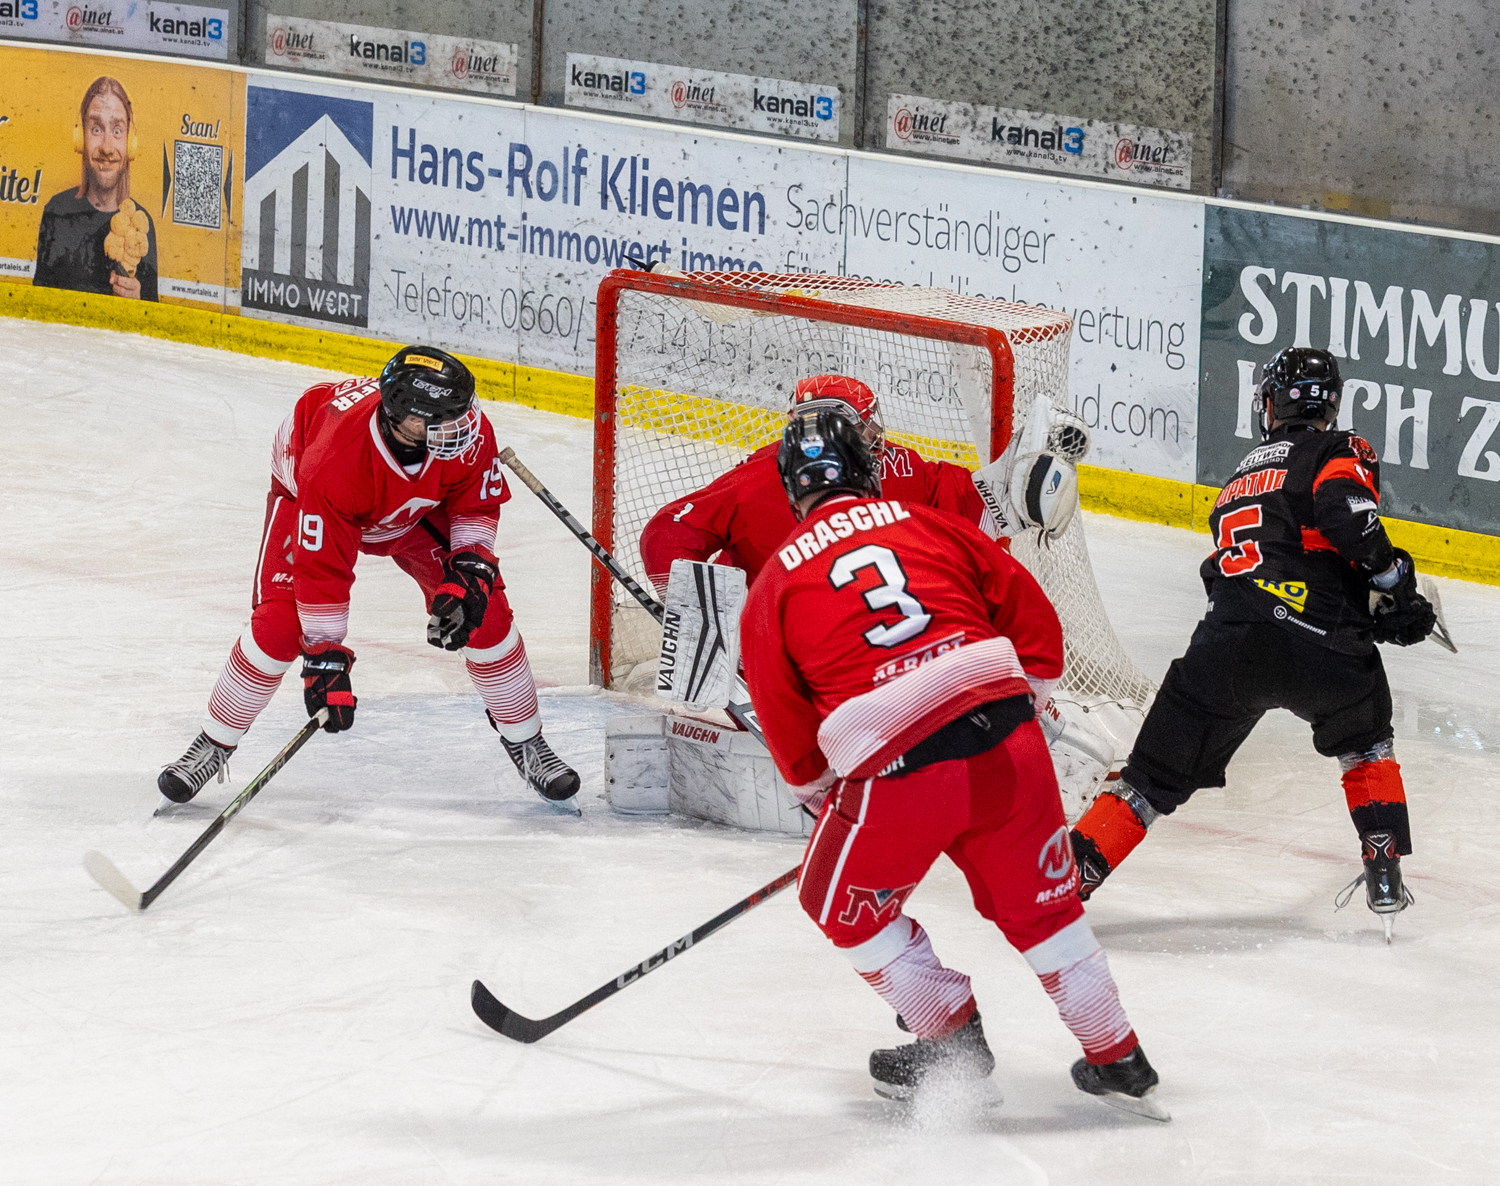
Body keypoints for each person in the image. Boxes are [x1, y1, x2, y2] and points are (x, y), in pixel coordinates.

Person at [739, 404, 1163, 1113]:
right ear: (867, 470)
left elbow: (790, 732)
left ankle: (953, 1041)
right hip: (1009, 749)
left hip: (900, 773)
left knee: (836, 904)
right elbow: (1031, 616)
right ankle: (1119, 1056)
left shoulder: (775, 580)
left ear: (792, 490)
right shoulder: (930, 523)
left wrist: (824, 796)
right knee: (1047, 911)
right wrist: (1016, 706)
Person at [1068, 347, 1437, 936]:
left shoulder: (1239, 479)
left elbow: (1255, 565)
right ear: (1330, 405)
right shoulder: (1340, 448)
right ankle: (1384, 872)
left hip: (1230, 645)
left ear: (1270, 405)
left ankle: (1067, 884)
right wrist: (1394, 588)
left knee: (1147, 782)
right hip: (1323, 648)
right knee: (1367, 743)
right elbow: (1343, 516)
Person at [158, 347, 581, 809]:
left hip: (412, 512)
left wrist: (470, 566)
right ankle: (213, 743)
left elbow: (474, 504)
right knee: (280, 625)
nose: (461, 426)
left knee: (485, 614)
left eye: (460, 412)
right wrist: (324, 660)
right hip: (311, 495)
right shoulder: (332, 463)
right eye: (440, 420)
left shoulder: (464, 430)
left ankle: (526, 740)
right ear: (404, 420)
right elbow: (322, 570)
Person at [640, 374, 997, 592]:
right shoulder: (757, 480)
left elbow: (970, 496)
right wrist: (696, 610)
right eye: (865, 424)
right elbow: (670, 531)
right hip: (764, 632)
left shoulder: (900, 466)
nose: (876, 432)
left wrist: (1015, 488)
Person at [34, 76, 158, 301]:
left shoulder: (141, 224)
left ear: (130, 143)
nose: (107, 148)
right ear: (81, 139)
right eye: (96, 129)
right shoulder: (56, 212)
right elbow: (38, 307)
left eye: (117, 131)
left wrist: (139, 302)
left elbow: (153, 319)